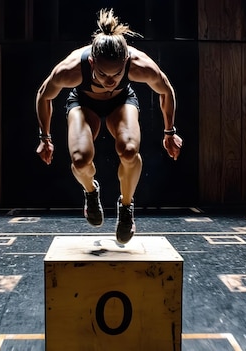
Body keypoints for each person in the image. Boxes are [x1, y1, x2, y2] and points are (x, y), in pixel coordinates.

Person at [35, 8, 182, 244]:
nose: (110, 81)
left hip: (121, 102)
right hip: (84, 103)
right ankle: (91, 193)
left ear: (126, 62)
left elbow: (166, 90)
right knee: (80, 160)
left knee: (129, 150)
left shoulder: (139, 64)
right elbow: (44, 96)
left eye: (116, 74)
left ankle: (125, 208)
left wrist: (169, 132)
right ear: (92, 62)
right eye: (103, 74)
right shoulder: (71, 69)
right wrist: (45, 138)